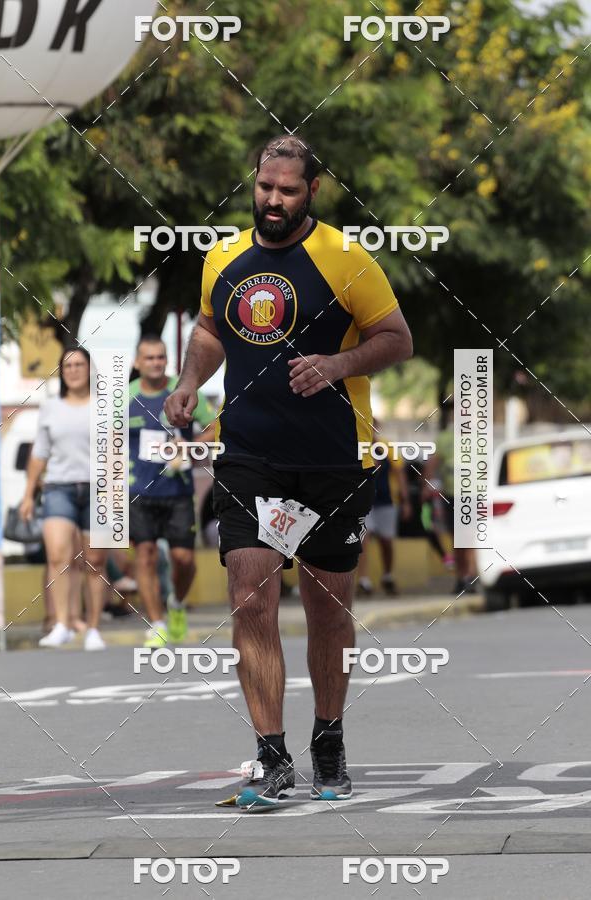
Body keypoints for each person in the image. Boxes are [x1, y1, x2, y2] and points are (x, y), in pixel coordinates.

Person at [165, 135, 412, 807]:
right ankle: (271, 756)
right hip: (248, 456)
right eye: (265, 186)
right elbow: (211, 329)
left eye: (288, 190)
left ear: (313, 191)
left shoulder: (346, 257)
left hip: (333, 458)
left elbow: (397, 338)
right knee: (250, 595)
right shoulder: (223, 256)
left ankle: (328, 738)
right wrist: (188, 382)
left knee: (328, 610)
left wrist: (337, 365)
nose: (273, 200)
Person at [128, 335, 214, 648]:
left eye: (160, 357)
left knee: (184, 559)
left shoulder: (184, 391)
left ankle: (175, 603)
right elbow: (108, 441)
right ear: (137, 362)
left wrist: (190, 446)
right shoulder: (124, 397)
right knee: (145, 555)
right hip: (138, 490)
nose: (155, 363)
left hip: (178, 490)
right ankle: (157, 625)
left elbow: (215, 427)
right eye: (149, 358)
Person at [20, 347, 107, 650]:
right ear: (61, 372)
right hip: (58, 488)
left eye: (79, 364)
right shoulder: (50, 408)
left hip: (99, 490)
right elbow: (40, 453)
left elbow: (118, 452)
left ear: (89, 369)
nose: (73, 370)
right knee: (58, 556)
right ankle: (61, 623)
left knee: (95, 561)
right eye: (67, 366)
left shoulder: (105, 407)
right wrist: (28, 494)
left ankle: (93, 628)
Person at [423, 421, 476, 593]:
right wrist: (427, 485)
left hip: (473, 495)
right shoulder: (444, 438)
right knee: (458, 538)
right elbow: (432, 464)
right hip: (452, 495)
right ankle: (462, 577)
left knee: (470, 536)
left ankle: (471, 576)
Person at [356, 436, 412, 597]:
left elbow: (399, 473)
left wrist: (405, 500)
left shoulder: (386, 447)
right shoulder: (357, 446)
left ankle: (387, 575)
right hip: (365, 502)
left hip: (386, 501)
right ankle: (363, 580)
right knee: (363, 539)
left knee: (386, 541)